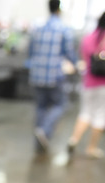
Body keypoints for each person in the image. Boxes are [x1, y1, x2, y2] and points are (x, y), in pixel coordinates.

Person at [66, 10, 105, 159]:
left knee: (85, 112)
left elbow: (83, 56)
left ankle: (74, 139)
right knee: (101, 114)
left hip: (89, 81)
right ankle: (91, 147)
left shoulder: (88, 38)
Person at [26, 0, 76, 154]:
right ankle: (44, 131)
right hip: (55, 75)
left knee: (41, 106)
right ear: (59, 9)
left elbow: (30, 51)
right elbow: (69, 52)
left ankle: (39, 138)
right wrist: (75, 64)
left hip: (38, 73)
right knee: (60, 105)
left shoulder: (37, 28)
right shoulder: (64, 29)